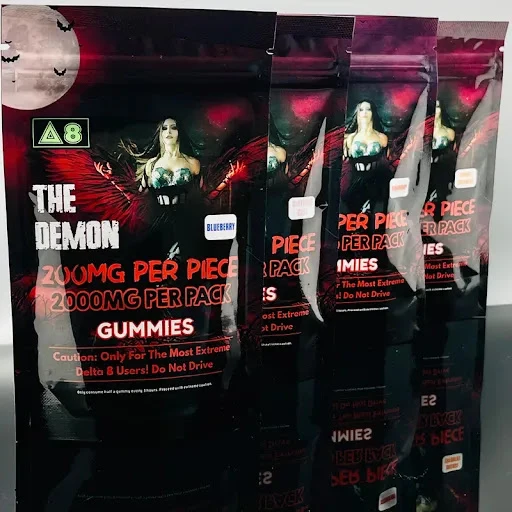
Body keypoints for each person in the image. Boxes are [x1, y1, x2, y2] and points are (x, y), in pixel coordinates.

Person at [121, 117, 201, 260]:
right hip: (158, 219)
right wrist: (110, 177)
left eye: (173, 127)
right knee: (157, 259)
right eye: (164, 128)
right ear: (160, 133)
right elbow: (139, 197)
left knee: (185, 259)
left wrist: (226, 179)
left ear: (179, 132)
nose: (168, 131)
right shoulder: (151, 164)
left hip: (185, 218)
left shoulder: (193, 163)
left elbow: (204, 195)